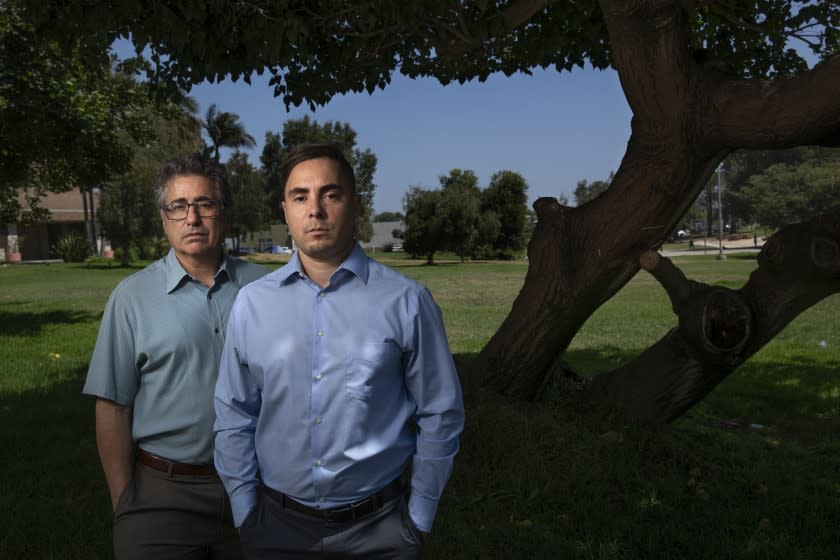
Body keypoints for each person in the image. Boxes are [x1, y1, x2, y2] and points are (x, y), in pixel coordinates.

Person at [214, 144, 465, 559]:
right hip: (275, 529)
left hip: (380, 532)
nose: (315, 209)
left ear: (356, 205)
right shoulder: (252, 304)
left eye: (330, 194)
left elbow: (441, 413)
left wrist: (418, 519)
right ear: (285, 210)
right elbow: (234, 413)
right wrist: (245, 512)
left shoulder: (406, 302)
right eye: (300, 196)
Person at [83, 154, 268, 559]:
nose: (193, 218)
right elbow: (112, 406)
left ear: (225, 212)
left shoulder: (267, 288)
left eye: (205, 204)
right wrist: (124, 504)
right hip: (163, 494)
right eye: (178, 206)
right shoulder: (131, 298)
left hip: (260, 486)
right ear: (164, 217)